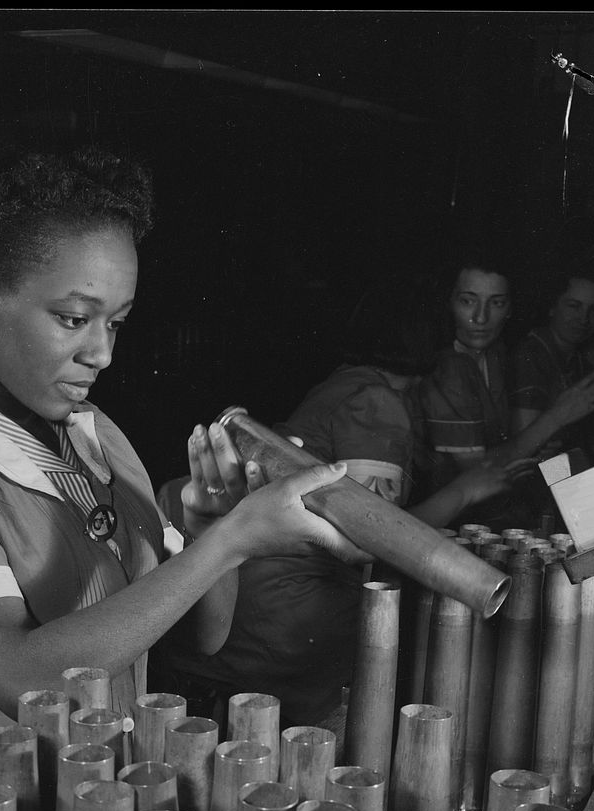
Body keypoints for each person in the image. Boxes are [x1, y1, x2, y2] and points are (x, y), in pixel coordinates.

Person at [0, 148, 361, 751]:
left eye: (115, 322)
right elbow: (23, 680)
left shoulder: (94, 431)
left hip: (117, 793)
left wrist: (208, 528)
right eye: (72, 318)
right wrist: (236, 537)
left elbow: (203, 635)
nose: (102, 354)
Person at [153, 272, 524, 729]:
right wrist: (465, 490)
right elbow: (373, 535)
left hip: (260, 624)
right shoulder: (374, 401)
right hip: (284, 631)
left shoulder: (347, 386)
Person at [418, 254, 594, 494]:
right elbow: (479, 473)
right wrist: (559, 422)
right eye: (468, 301)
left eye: (497, 303)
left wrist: (564, 458)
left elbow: (524, 461)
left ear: (510, 308)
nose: (480, 317)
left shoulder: (495, 354)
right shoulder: (454, 366)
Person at [509, 263, 594, 465]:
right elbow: (531, 460)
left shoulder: (579, 363)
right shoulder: (530, 355)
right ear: (551, 307)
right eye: (574, 306)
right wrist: (589, 456)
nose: (584, 318)